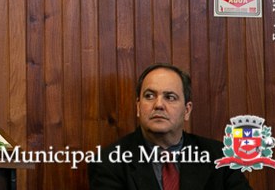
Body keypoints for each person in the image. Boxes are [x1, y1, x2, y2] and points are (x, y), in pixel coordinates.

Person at [88, 63, 252, 189]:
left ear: (187, 110)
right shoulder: (108, 163)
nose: (158, 105)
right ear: (138, 107)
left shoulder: (221, 157)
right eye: (149, 96)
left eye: (170, 97)